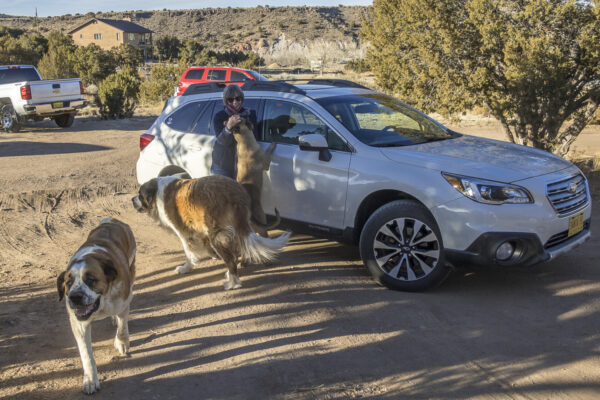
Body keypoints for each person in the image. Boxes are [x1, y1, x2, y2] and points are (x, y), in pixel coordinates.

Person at [211, 85, 257, 178]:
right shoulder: (220, 116)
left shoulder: (250, 114)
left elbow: (254, 138)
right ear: (226, 101)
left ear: (242, 99)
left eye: (238, 98)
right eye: (231, 99)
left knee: (240, 192)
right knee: (223, 192)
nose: (235, 102)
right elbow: (223, 142)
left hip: (244, 164)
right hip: (223, 164)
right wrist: (228, 127)